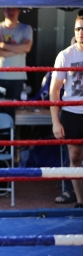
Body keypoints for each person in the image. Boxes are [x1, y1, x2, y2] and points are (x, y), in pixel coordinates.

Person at [50, 14, 83, 209]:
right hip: (72, 111)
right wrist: (55, 120)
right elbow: (54, 89)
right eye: (78, 29)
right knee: (75, 156)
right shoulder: (65, 55)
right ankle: (80, 201)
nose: (81, 33)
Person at [0, 8, 33, 100]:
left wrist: (3, 45)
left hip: (17, 77)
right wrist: (17, 50)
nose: (11, 12)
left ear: (19, 11)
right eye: (8, 9)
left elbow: (27, 48)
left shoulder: (26, 28)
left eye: (14, 9)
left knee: (13, 110)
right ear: (4, 11)